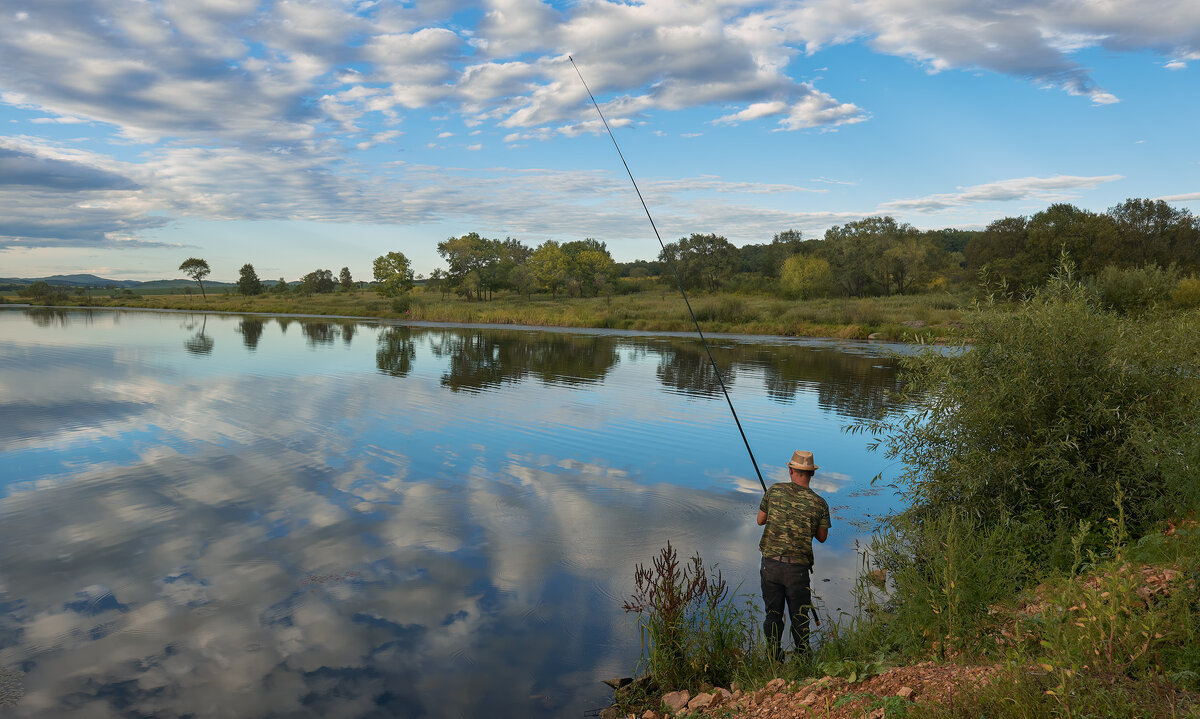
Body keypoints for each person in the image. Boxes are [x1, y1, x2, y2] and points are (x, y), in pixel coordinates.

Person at [756, 450, 831, 661]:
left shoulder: (774, 491)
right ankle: (802, 658)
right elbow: (822, 537)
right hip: (797, 571)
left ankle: (773, 657)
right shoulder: (819, 503)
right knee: (800, 616)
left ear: (790, 470)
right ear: (811, 474)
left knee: (773, 613)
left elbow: (760, 520)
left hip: (770, 566)